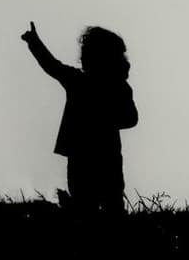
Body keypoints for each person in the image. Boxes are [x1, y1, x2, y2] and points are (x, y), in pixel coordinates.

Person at [21, 21, 139, 215]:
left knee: (99, 205)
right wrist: (34, 43)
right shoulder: (113, 86)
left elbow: (53, 66)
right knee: (101, 204)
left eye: (86, 54)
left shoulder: (85, 82)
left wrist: (34, 43)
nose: (82, 58)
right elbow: (52, 66)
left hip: (94, 157)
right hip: (97, 157)